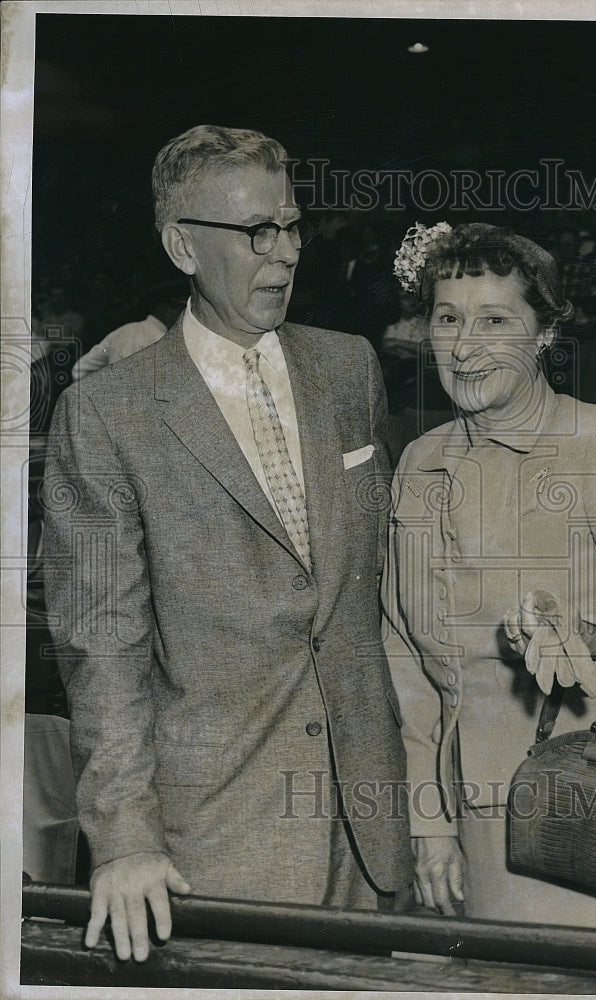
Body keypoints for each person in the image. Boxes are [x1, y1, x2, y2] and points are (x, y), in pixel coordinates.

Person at [42, 125, 412, 963]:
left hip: (371, 834)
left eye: (289, 226)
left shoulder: (350, 368)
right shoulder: (106, 414)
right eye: (254, 233)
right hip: (217, 840)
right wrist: (126, 838)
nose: (281, 256)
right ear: (180, 245)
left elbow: (369, 593)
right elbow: (100, 646)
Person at [382, 222, 596, 935]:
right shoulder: (419, 464)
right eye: (449, 319)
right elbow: (406, 662)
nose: (467, 344)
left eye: (496, 320)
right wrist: (428, 820)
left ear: (542, 335)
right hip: (478, 818)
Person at [71, 282, 187, 380]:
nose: (183, 315)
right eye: (181, 309)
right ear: (166, 308)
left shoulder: (126, 331)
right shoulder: (151, 337)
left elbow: (80, 369)